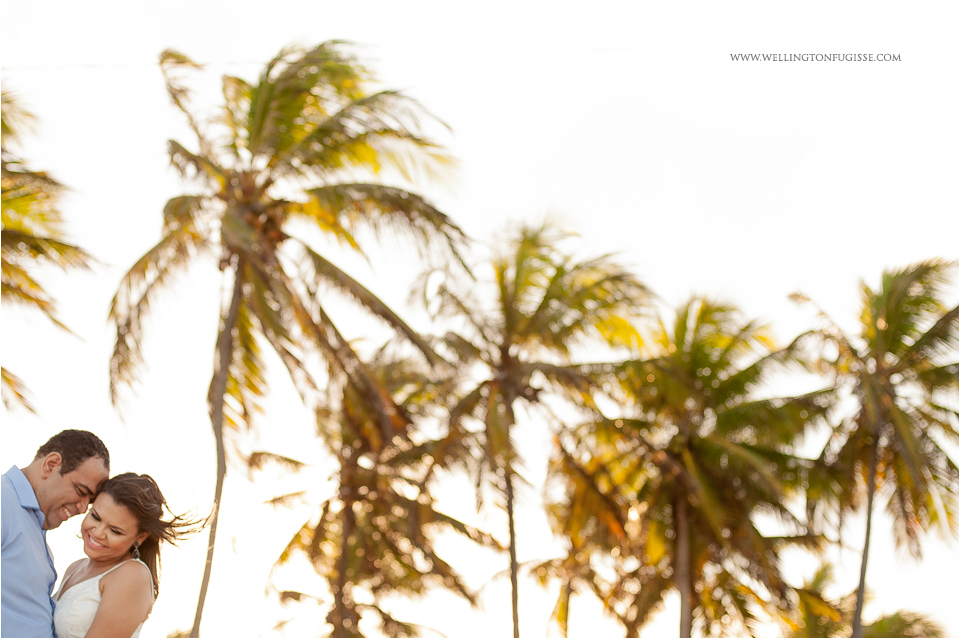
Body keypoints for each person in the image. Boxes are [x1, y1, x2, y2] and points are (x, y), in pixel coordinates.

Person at [52, 473, 204, 638]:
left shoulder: (132, 575)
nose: (98, 532)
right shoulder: (75, 567)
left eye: (115, 531)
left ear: (140, 537)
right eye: (95, 517)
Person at [2, 430, 110, 638]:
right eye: (81, 491)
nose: (81, 508)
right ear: (50, 465)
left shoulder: (33, 527)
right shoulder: (3, 501)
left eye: (89, 501)